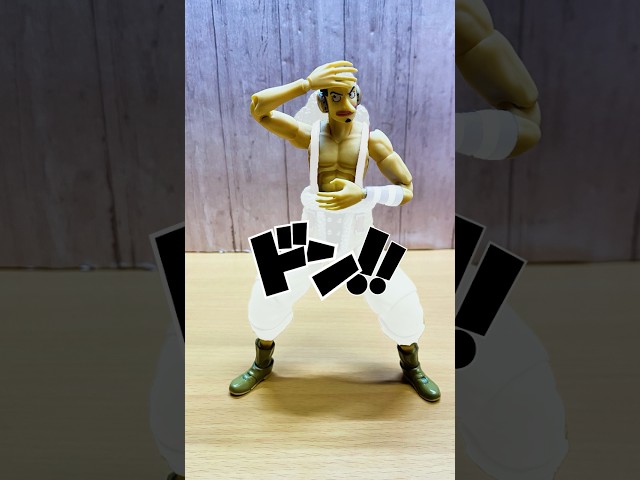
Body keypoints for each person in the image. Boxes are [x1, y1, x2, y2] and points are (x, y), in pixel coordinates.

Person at [228, 61, 440, 402]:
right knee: (266, 296)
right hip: (313, 238)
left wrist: (365, 194)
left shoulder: (373, 140)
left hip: (359, 239)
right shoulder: (309, 135)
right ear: (322, 101)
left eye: (350, 95)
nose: (345, 104)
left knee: (405, 306)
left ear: (358, 97)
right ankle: (261, 362)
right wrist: (306, 83)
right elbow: (258, 108)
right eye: (335, 97)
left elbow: (407, 189)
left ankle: (411, 364)